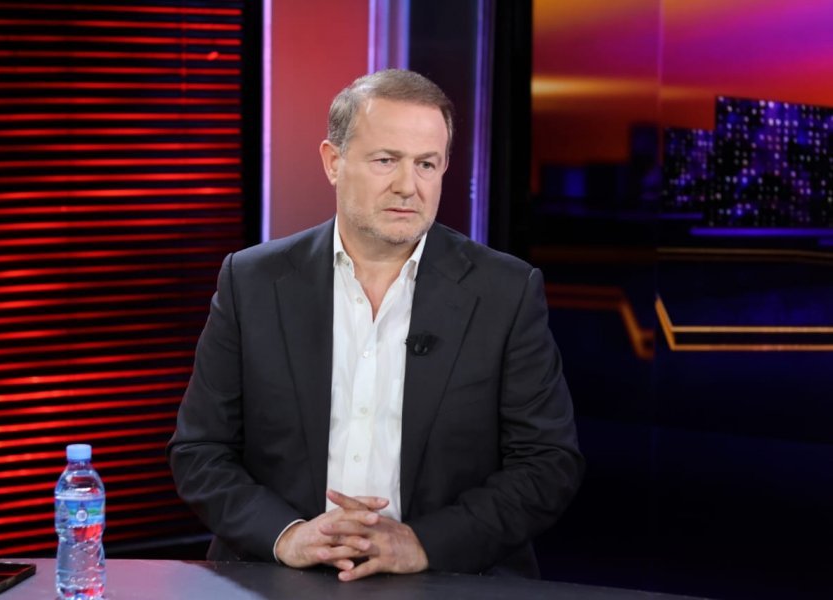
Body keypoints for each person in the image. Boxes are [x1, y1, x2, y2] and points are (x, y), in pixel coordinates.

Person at [167, 68, 584, 582]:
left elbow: (547, 463)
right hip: (276, 574)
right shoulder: (252, 281)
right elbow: (199, 451)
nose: (408, 186)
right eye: (386, 160)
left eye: (426, 164)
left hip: (449, 579)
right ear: (333, 161)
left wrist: (424, 544)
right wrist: (288, 535)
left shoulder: (506, 291)